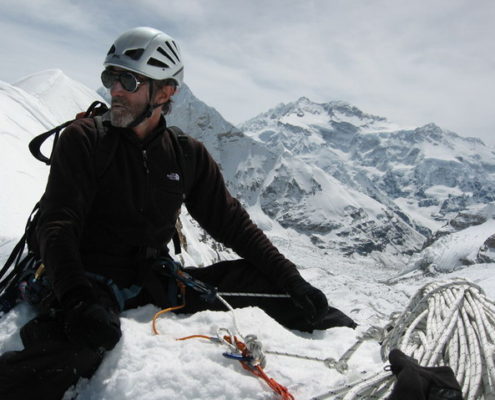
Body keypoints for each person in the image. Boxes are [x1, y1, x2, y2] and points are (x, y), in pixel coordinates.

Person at [0, 27, 356, 399]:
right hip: (89, 279)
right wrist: (77, 299)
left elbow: (233, 225)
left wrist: (293, 281)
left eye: (128, 80)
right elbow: (58, 224)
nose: (115, 90)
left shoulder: (186, 155)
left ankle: (363, 351)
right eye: (110, 77)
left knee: (273, 287)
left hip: (153, 278)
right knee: (76, 350)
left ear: (165, 91)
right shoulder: (86, 140)